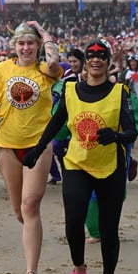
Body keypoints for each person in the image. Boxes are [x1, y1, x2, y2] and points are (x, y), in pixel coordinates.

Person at [22, 38, 137, 274]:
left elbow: (132, 131)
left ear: (108, 62)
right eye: (91, 55)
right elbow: (55, 123)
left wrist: (116, 137)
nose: (96, 59)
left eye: (101, 55)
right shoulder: (71, 90)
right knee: (73, 220)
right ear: (86, 62)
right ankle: (79, 268)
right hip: (76, 163)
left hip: (110, 166)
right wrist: (37, 151)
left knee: (109, 228)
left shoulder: (121, 92)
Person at [0, 21, 62, 274]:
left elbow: (54, 60)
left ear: (38, 45)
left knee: (30, 205)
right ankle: (31, 232)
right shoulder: (0, 70)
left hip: (38, 145)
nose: (25, 47)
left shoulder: (46, 70)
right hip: (6, 144)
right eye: (21, 43)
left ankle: (31, 270)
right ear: (14, 46)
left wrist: (44, 31)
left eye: (31, 43)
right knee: (19, 210)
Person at [49, 48, 84, 184]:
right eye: (69, 61)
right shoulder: (64, 74)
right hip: (61, 115)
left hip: (79, 116)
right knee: (55, 145)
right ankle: (60, 172)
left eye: (75, 61)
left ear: (82, 61)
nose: (72, 64)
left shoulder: (87, 75)